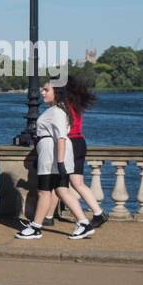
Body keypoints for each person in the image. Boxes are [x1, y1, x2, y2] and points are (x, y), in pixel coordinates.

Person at [16, 81, 92, 240]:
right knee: (61, 190)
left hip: (51, 157)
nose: (42, 93)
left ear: (56, 92)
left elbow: (61, 138)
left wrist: (60, 162)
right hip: (53, 155)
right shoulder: (59, 110)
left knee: (44, 192)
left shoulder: (56, 111)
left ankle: (36, 227)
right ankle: (84, 223)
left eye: (46, 90)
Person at [64, 74, 107, 232]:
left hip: (70, 143)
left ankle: (82, 219)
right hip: (80, 141)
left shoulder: (63, 105)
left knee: (61, 185)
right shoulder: (75, 103)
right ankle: (98, 213)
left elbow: (64, 128)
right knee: (78, 183)